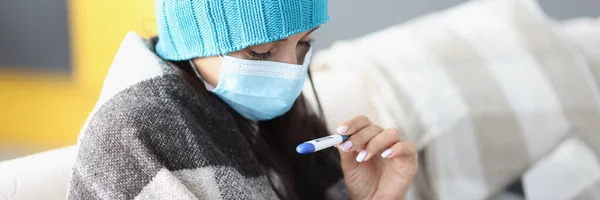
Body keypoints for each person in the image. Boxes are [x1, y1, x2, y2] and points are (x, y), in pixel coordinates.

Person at [68, 0, 418, 199]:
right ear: (192, 44)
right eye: (261, 51)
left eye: (304, 44)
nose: (291, 70)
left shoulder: (262, 115)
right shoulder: (133, 133)